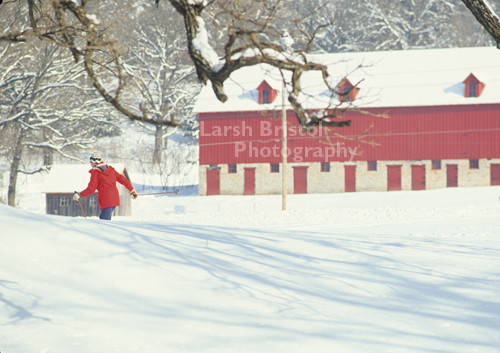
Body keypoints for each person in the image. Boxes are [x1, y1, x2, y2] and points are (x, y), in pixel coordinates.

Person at [73, 152, 138, 220]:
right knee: (102, 218)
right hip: (115, 199)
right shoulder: (110, 169)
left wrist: (80, 195)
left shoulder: (96, 172)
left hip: (106, 200)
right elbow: (123, 180)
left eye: (91, 162)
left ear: (94, 162)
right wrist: (132, 190)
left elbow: (91, 189)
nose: (90, 164)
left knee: (105, 222)